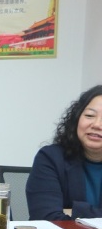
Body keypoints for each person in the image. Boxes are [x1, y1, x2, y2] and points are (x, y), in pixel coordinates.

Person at [27, 85, 102, 220]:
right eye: (89, 115)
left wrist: (75, 211)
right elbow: (46, 216)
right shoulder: (50, 158)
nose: (97, 124)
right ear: (77, 118)